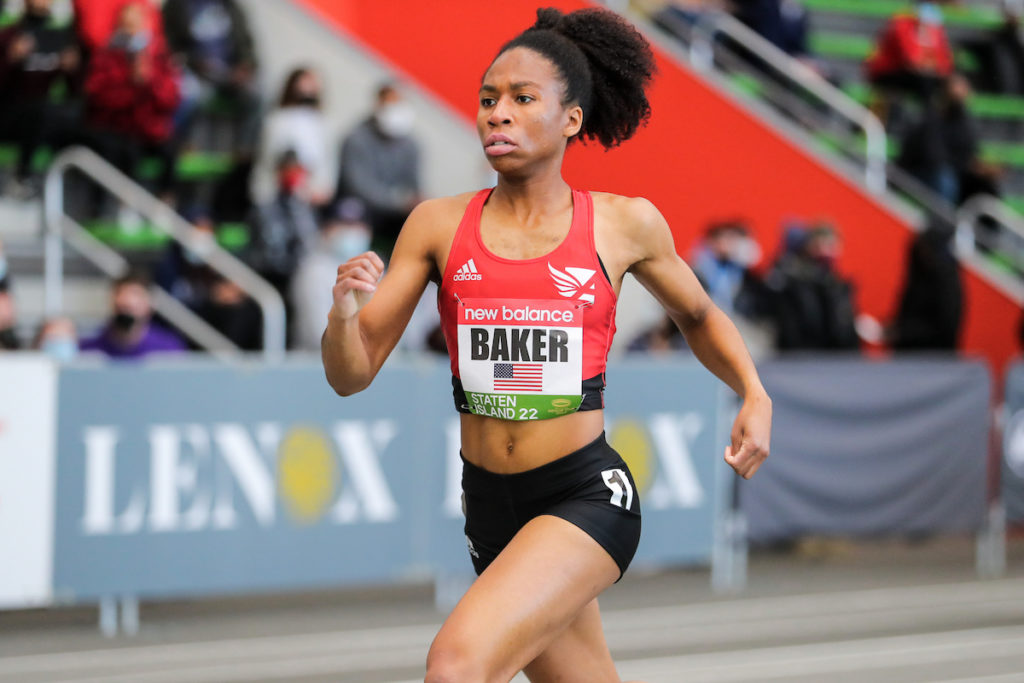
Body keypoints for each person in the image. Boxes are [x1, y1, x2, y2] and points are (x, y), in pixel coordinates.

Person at [321, 8, 772, 681]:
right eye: (487, 100)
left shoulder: (623, 223)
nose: (496, 114)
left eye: (522, 99)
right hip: (490, 509)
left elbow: (701, 316)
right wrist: (341, 316)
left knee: (455, 664)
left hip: (584, 495)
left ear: (571, 118)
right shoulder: (437, 225)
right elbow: (351, 374)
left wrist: (753, 391)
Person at [81, 0, 181, 198]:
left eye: (136, 24)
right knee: (125, 150)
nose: (132, 31)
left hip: (148, 127)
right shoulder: (107, 54)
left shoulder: (157, 54)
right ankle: (118, 204)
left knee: (170, 148)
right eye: (127, 25)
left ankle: (166, 201)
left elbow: (170, 98)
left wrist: (149, 81)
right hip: (117, 127)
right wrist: (132, 86)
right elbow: (98, 97)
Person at [0, 0, 82, 196]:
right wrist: (11, 59)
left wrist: (71, 69)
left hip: (43, 113)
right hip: (9, 110)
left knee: (70, 115)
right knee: (40, 110)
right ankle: (22, 175)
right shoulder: (9, 34)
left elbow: (75, 89)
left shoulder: (62, 37)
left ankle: (65, 187)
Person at [334, 82, 422, 255]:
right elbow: (358, 188)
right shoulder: (356, 138)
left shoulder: (411, 145)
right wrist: (398, 201)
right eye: (391, 103)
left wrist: (417, 201)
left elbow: (414, 186)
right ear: (378, 105)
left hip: (394, 218)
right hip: (359, 212)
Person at [161, 0, 261, 152]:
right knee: (194, 94)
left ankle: (241, 154)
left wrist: (246, 65)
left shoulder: (230, 6)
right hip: (194, 70)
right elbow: (170, 42)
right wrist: (194, 61)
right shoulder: (177, 5)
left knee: (257, 96)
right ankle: (173, 144)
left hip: (230, 74)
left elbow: (246, 43)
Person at [764, 220, 859, 351]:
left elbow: (843, 326)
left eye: (830, 245)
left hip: (837, 356)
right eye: (819, 245)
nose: (824, 251)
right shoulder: (793, 280)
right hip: (803, 354)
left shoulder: (839, 284)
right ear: (808, 246)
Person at [290, 197, 371, 351]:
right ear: (325, 229)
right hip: (314, 364)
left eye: (356, 225)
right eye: (343, 224)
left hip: (376, 365)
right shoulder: (313, 269)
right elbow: (318, 334)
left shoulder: (378, 269)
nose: (351, 231)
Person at [250, 66, 332, 207]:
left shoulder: (320, 122)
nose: (310, 85)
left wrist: (321, 186)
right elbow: (268, 157)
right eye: (305, 80)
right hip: (275, 192)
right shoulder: (278, 119)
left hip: (309, 193)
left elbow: (325, 159)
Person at [80, 271, 186, 358]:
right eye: (122, 307)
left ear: (150, 305)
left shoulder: (168, 349)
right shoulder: (91, 350)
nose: (126, 313)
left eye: (132, 307)